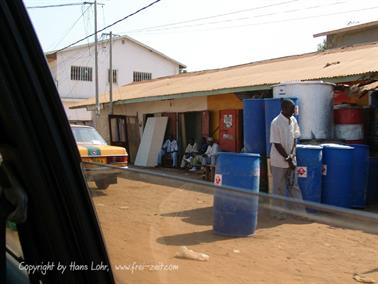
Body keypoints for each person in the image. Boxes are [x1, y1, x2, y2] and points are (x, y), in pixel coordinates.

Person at [270, 99, 302, 219]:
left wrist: (292, 156)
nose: (294, 111)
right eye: (291, 108)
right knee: (279, 188)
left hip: (291, 159)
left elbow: (295, 138)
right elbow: (276, 144)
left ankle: (300, 213)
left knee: (294, 186)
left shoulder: (293, 120)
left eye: (294, 108)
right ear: (284, 109)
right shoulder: (276, 123)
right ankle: (278, 214)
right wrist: (288, 159)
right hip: (278, 161)